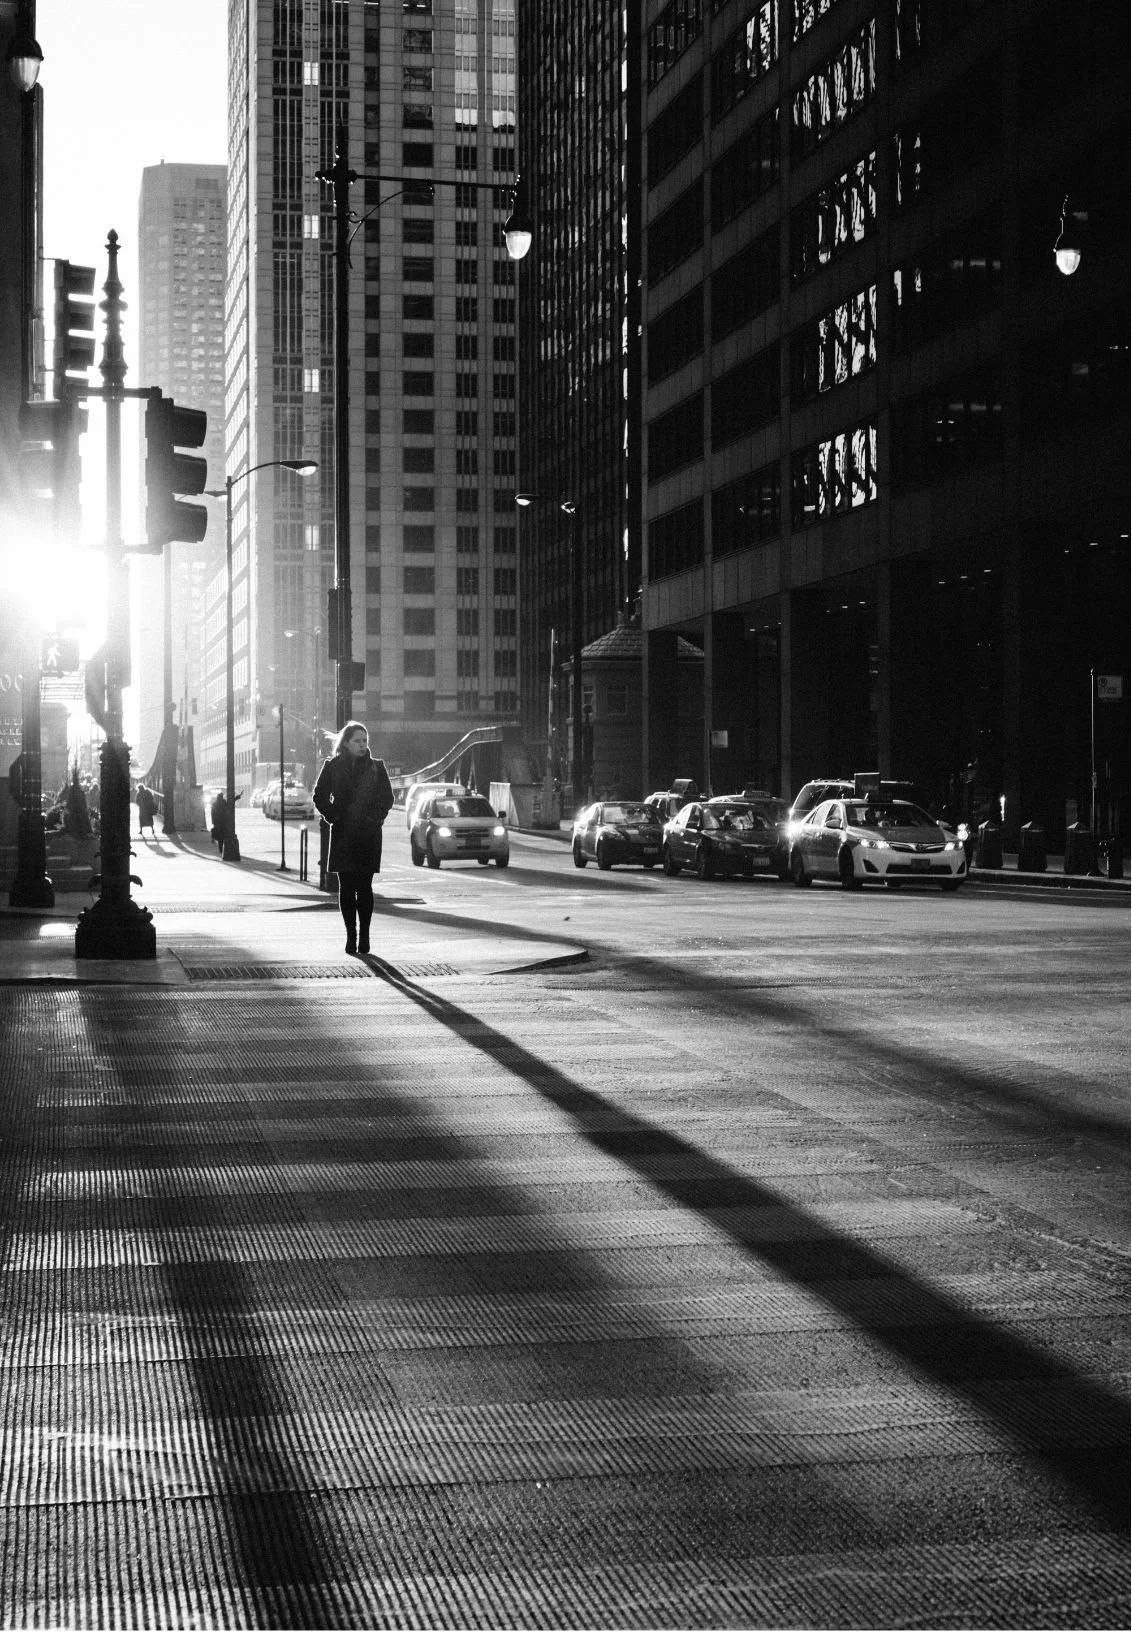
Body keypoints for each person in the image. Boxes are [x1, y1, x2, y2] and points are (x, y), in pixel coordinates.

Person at [312, 720, 394, 956]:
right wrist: (333, 815)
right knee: (346, 888)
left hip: (368, 835)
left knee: (364, 887)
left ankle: (365, 936)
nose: (362, 744)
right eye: (357, 740)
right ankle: (351, 936)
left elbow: (386, 798)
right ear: (346, 743)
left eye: (365, 740)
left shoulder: (377, 767)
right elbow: (319, 795)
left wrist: (375, 818)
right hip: (343, 834)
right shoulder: (332, 766)